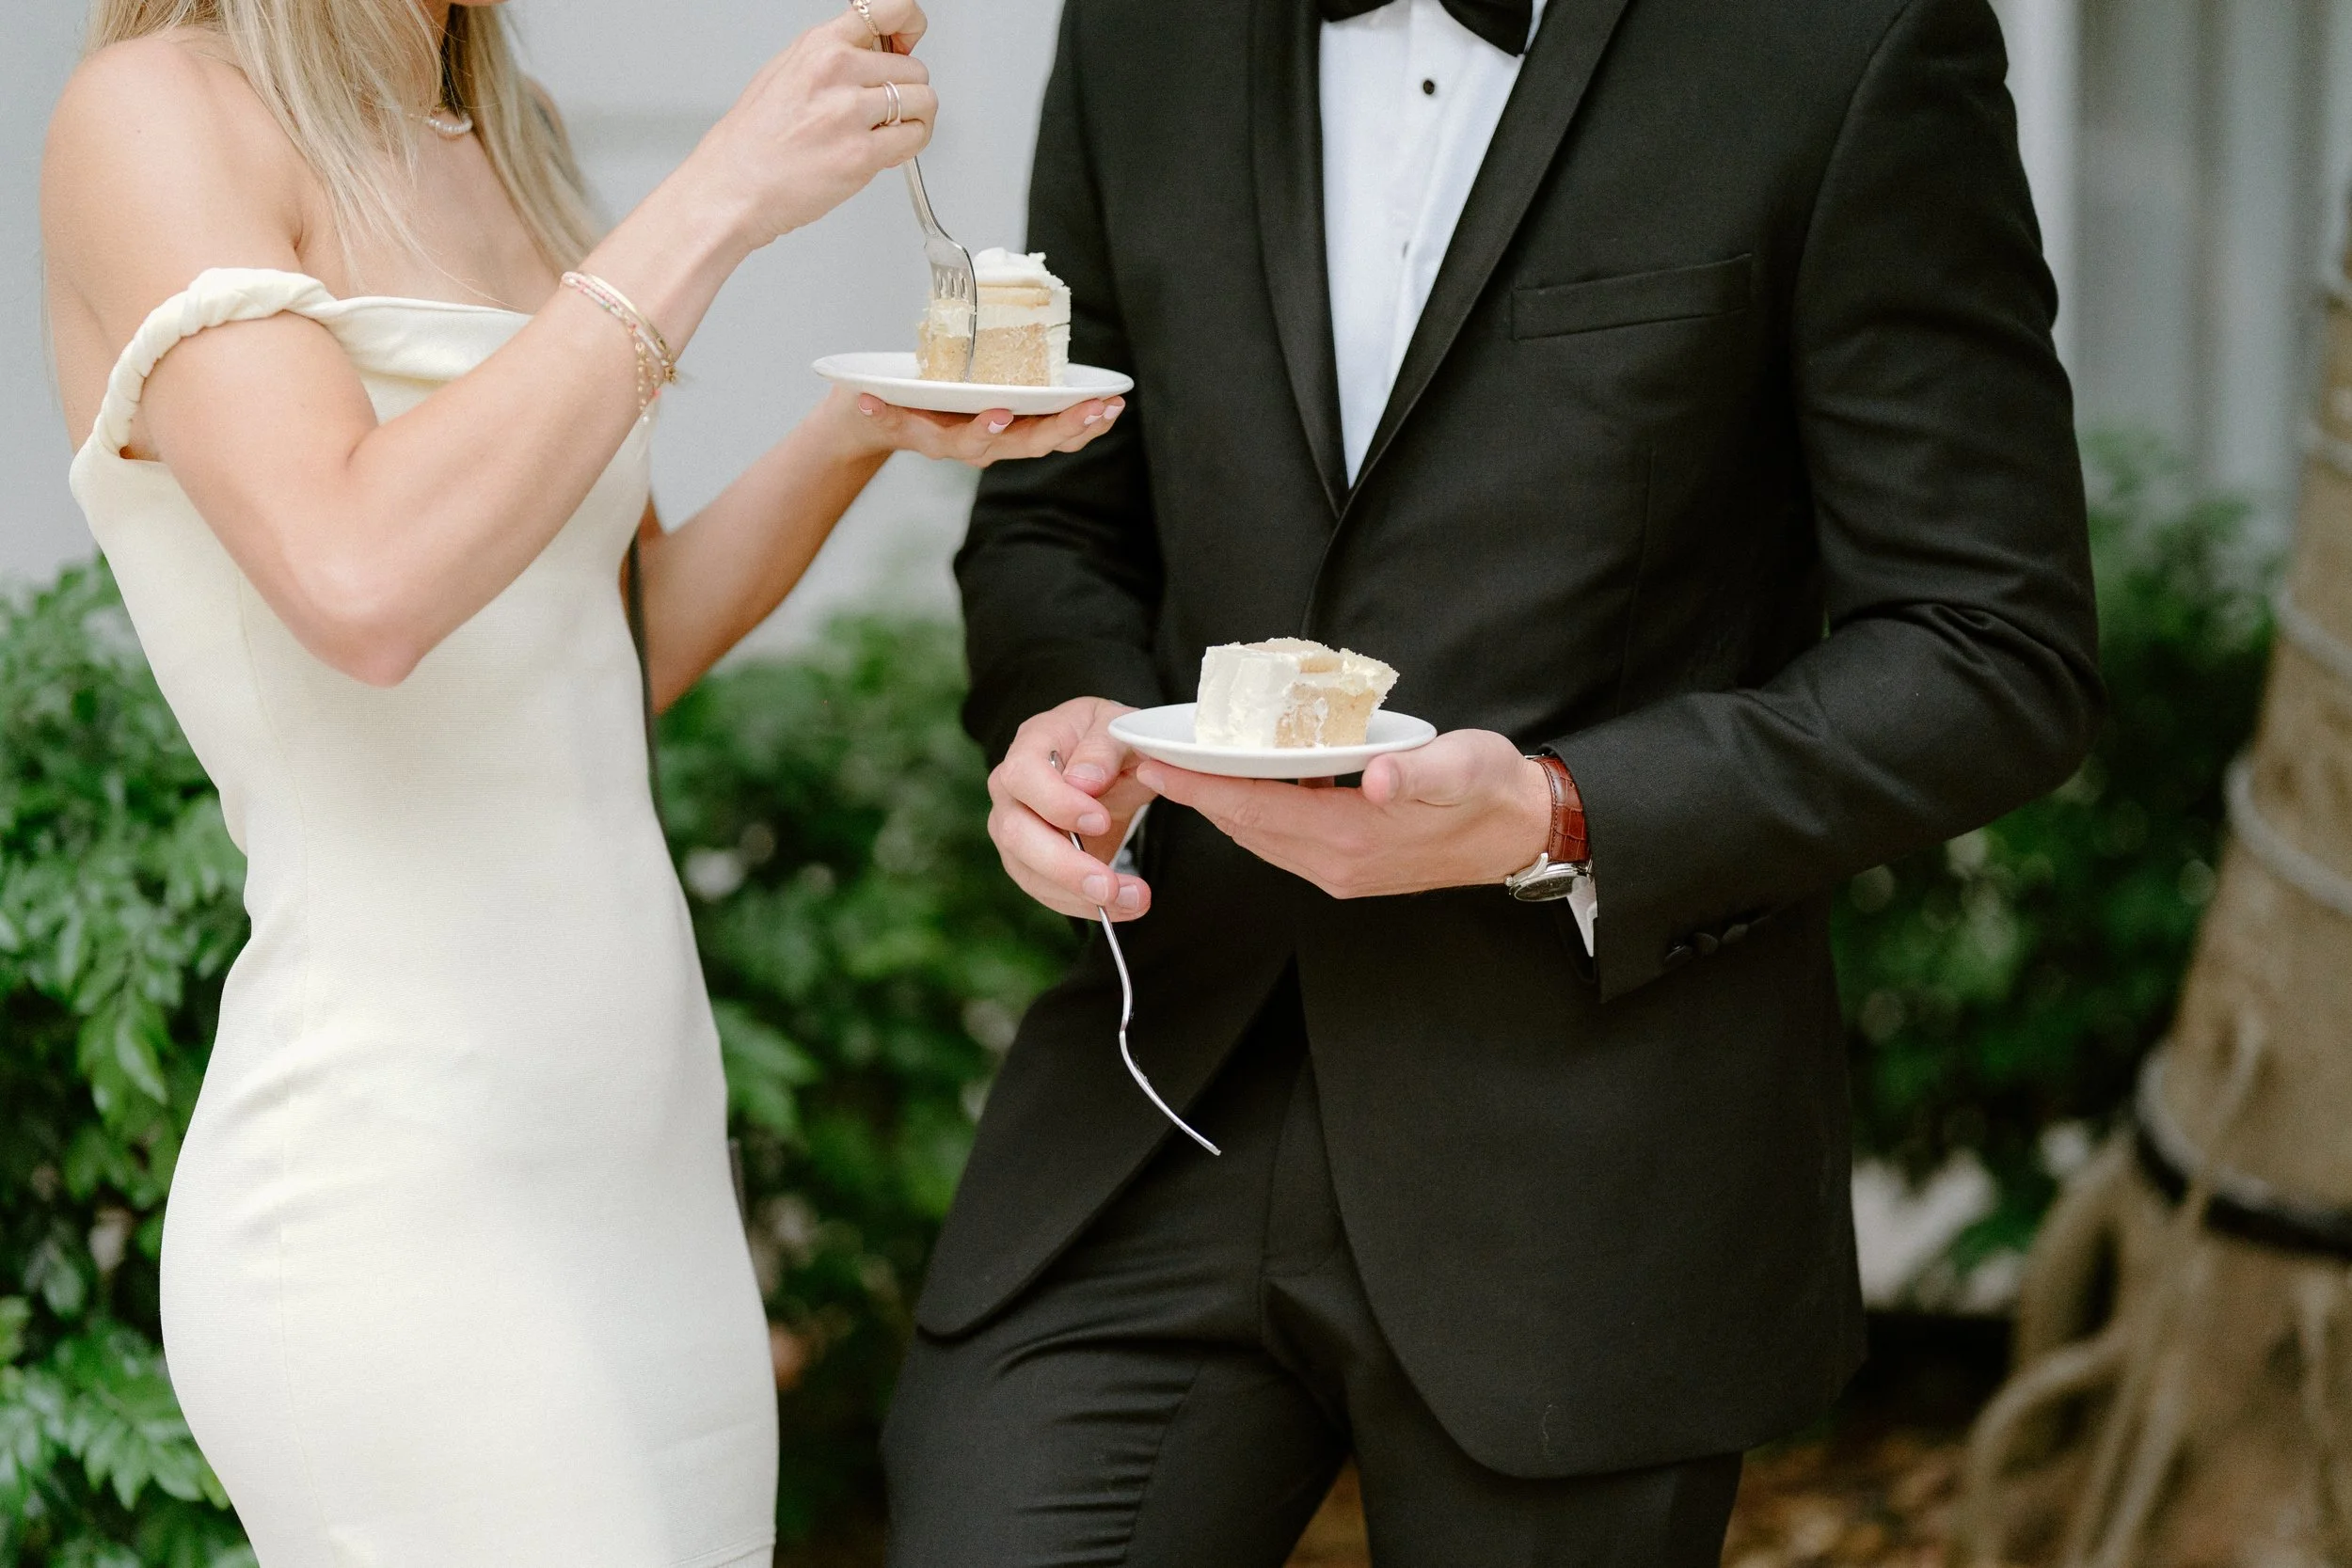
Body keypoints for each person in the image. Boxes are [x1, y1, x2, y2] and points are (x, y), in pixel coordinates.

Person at [884, 0, 2105, 1562]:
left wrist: (1556, 811)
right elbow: (1062, 518)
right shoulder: (1141, 25)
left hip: (1591, 1163)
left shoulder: (1846, 37)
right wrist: (1074, 714)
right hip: (1163, 1088)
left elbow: (1993, 647)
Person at [40, 0, 1119, 1561]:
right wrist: (723, 194)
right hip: (400, 1184)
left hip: (646, 1177)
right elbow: (363, 584)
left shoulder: (501, 129)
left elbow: (613, 646)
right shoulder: (155, 112)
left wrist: (859, 427)